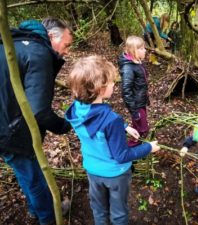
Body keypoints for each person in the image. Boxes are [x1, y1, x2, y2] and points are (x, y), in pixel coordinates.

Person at [65, 55, 160, 225]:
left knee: (99, 209)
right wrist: (148, 148)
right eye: (111, 82)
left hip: (93, 170)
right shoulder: (111, 120)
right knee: (119, 213)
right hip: (115, 174)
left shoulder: (76, 110)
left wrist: (125, 126)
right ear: (100, 89)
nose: (114, 85)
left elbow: (95, 120)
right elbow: (121, 155)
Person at [0, 18, 73, 224]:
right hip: (11, 130)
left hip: (5, 123)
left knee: (25, 173)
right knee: (34, 176)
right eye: (66, 45)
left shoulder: (14, 43)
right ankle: (49, 217)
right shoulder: (38, 53)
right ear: (51, 36)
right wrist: (64, 125)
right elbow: (39, 111)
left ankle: (36, 209)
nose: (66, 52)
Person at [119, 36, 150, 147]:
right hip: (136, 105)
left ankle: (137, 149)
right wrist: (134, 112)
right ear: (134, 51)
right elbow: (126, 91)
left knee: (140, 129)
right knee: (142, 130)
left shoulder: (137, 62)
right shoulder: (128, 68)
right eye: (141, 48)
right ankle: (131, 150)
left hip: (141, 101)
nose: (145, 50)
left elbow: (141, 84)